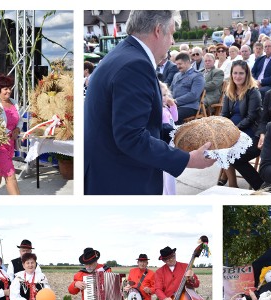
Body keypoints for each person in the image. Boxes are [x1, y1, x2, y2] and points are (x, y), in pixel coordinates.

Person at [83, 10, 214, 195]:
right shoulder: (135, 64)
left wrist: (184, 133)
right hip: (119, 180)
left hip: (109, 173)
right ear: (158, 30)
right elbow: (131, 136)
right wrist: (188, 159)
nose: (173, 42)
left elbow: (142, 123)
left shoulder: (125, 55)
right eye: (172, 33)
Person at [220, 60, 263, 189]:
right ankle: (233, 183)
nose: (237, 76)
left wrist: (234, 130)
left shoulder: (253, 91)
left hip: (248, 129)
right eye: (235, 73)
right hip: (231, 128)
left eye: (241, 73)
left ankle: (259, 185)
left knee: (233, 154)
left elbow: (251, 117)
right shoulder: (230, 90)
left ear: (247, 74)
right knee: (219, 147)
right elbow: (224, 114)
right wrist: (221, 127)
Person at [0, 74, 21, 195]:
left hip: (10, 144)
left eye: (9, 88)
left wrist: (17, 129)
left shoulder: (14, 102)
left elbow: (19, 120)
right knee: (10, 174)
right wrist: (3, 132)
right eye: (5, 88)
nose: (8, 91)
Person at [170, 52, 205, 124]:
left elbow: (194, 95)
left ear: (188, 62)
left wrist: (176, 101)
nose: (178, 66)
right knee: (160, 113)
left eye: (180, 64)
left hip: (189, 106)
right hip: (174, 105)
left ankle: (175, 134)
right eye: (177, 64)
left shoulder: (197, 76)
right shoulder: (176, 75)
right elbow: (170, 90)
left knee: (172, 116)